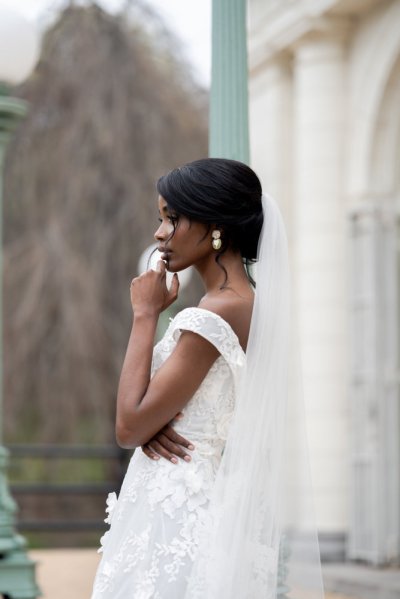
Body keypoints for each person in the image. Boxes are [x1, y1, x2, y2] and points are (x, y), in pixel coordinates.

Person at [91, 158, 324, 599]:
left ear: (215, 226)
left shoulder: (216, 313)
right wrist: (150, 424)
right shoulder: (242, 303)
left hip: (174, 507)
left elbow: (128, 424)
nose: (160, 234)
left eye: (172, 218)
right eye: (160, 219)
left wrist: (144, 315)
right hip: (191, 496)